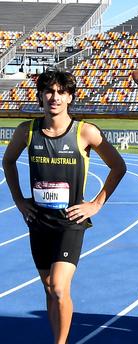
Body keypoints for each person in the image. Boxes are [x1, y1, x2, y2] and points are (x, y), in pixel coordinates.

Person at [2, 69, 126, 344]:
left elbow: (118, 166)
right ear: (40, 98)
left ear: (70, 97)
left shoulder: (85, 132)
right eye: (49, 91)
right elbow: (8, 161)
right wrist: (19, 200)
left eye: (61, 92)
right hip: (38, 220)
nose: (54, 97)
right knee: (48, 288)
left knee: (59, 287)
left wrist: (95, 204)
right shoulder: (27, 131)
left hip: (70, 221)